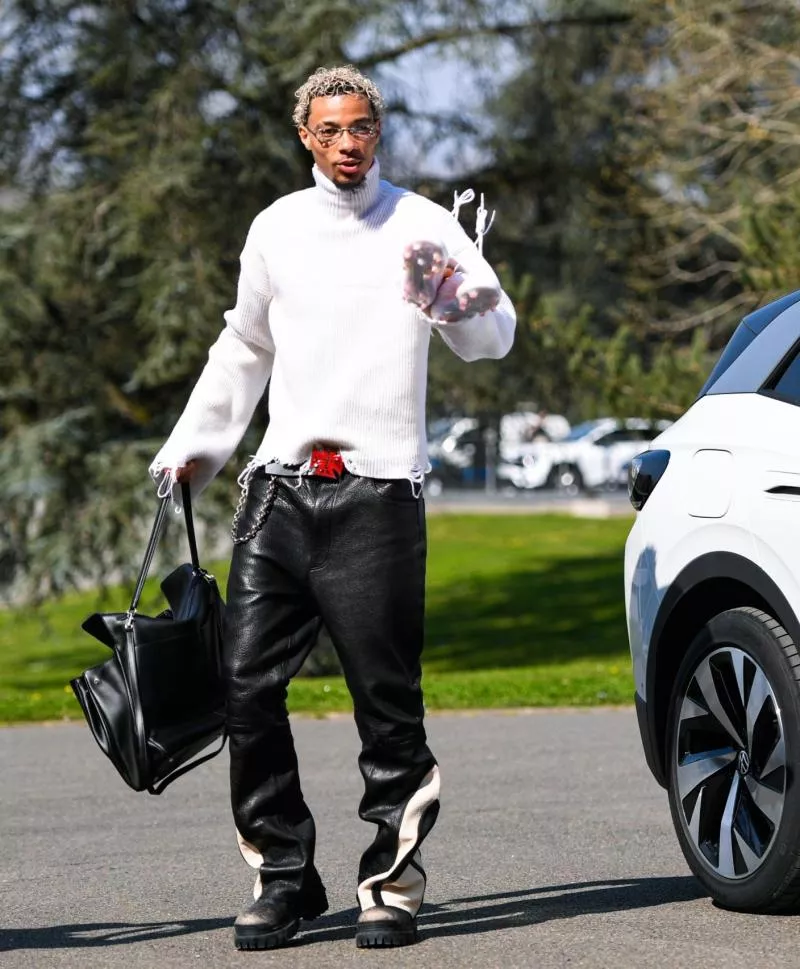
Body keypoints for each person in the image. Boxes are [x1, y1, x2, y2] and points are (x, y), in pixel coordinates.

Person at [150, 64, 515, 951]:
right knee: (244, 685)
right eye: (331, 130)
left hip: (378, 496)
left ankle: (391, 881)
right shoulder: (276, 227)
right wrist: (191, 448)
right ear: (305, 136)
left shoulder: (421, 226)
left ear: (376, 133)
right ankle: (284, 874)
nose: (349, 144)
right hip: (279, 490)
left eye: (362, 128)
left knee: (385, 703)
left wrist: (451, 284)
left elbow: (490, 341)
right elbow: (245, 345)